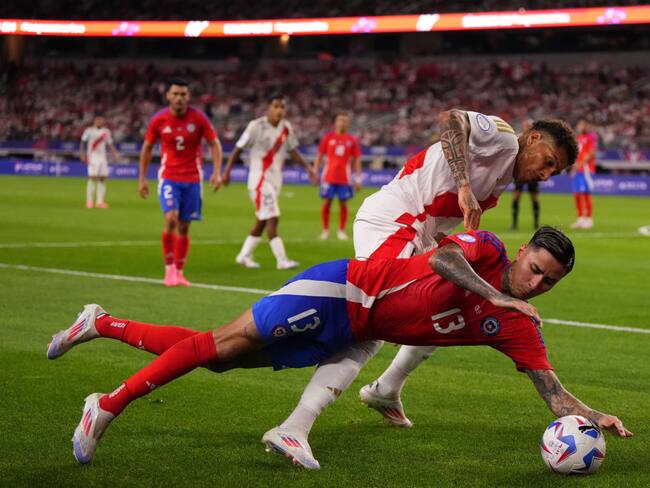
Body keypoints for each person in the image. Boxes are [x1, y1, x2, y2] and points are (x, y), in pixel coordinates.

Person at [47, 227, 633, 468]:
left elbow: (551, 393)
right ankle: (108, 404)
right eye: (536, 268)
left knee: (218, 356)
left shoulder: (519, 327)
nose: (536, 283)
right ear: (524, 252)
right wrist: (497, 294)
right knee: (221, 343)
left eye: (548, 281)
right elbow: (441, 259)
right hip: (343, 288)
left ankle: (100, 323)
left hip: (350, 329)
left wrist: (591, 415)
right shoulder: (486, 251)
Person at [263, 110, 579, 463]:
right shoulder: (505, 138)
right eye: (549, 162)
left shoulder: (503, 175)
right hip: (395, 220)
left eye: (555, 171)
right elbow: (450, 120)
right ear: (533, 138)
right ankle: (294, 426)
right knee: (370, 327)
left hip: (420, 233)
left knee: (448, 304)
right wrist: (462, 184)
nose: (547, 174)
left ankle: (387, 388)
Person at [138, 78, 223, 287]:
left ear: (188, 97)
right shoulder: (159, 120)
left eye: (183, 94)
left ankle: (179, 270)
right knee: (171, 218)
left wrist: (217, 171)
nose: (179, 98)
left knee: (184, 226)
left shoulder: (198, 118)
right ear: (168, 96)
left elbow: (215, 143)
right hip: (169, 176)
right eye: (175, 94)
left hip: (193, 178)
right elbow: (147, 148)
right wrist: (142, 178)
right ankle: (168, 270)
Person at [222, 94, 318, 270]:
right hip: (259, 181)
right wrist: (227, 171)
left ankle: (243, 255)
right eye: (276, 106)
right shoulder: (256, 126)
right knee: (273, 218)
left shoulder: (286, 127)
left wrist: (308, 169)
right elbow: (238, 148)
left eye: (282, 107)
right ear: (269, 108)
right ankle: (282, 260)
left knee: (262, 220)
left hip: (275, 181)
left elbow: (293, 151)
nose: (279, 110)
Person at [314, 112, 362, 240]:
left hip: (344, 178)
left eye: (345, 120)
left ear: (348, 123)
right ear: (336, 122)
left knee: (343, 204)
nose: (342, 122)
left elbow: (357, 160)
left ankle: (341, 231)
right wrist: (315, 171)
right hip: (328, 176)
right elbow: (319, 156)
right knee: (327, 202)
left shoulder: (351, 140)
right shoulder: (328, 138)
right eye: (340, 120)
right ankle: (325, 230)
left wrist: (357, 178)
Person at [80, 115, 121, 209]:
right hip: (92, 157)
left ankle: (99, 202)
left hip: (102, 158)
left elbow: (110, 144)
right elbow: (82, 142)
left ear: (103, 121)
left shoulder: (106, 132)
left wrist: (115, 154)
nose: (99, 121)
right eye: (97, 120)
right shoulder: (89, 131)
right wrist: (82, 154)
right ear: (94, 121)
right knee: (93, 177)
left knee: (102, 178)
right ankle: (89, 201)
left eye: (101, 120)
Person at [511, 119, 540, 230]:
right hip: (521, 172)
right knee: (516, 197)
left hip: (533, 172)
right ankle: (514, 224)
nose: (526, 127)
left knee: (534, 198)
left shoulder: (538, 140)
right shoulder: (519, 138)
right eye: (525, 125)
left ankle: (536, 223)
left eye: (528, 126)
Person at [571, 120, 598, 229]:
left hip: (586, 169)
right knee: (576, 194)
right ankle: (580, 218)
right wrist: (574, 167)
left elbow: (591, 152)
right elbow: (578, 154)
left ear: (586, 126)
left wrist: (581, 163)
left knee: (585, 194)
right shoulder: (578, 138)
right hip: (578, 169)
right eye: (579, 125)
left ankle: (588, 218)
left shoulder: (591, 137)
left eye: (582, 125)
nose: (580, 127)